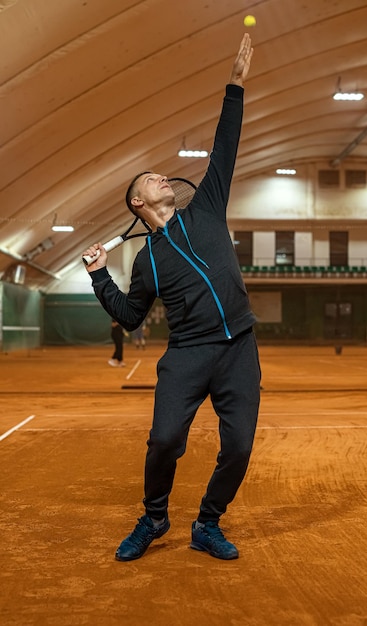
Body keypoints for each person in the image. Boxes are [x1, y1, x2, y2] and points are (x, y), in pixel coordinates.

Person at [83, 34, 260, 561]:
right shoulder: (146, 260)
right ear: (140, 201)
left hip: (239, 348)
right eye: (152, 177)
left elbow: (224, 145)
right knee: (163, 442)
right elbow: (131, 315)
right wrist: (99, 277)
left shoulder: (206, 207)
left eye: (164, 174)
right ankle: (154, 518)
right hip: (187, 355)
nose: (165, 175)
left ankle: (208, 524)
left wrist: (235, 85)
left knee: (240, 448)